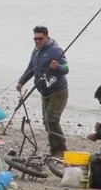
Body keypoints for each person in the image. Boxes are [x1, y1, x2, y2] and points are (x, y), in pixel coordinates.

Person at [16, 26, 70, 157]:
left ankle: (61, 148)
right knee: (46, 121)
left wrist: (58, 67)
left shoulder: (56, 50)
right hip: (44, 91)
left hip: (58, 91)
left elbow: (67, 68)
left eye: (40, 38)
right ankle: (54, 148)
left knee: (52, 119)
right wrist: (21, 82)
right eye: (35, 39)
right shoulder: (36, 52)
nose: (37, 41)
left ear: (47, 37)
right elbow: (30, 69)